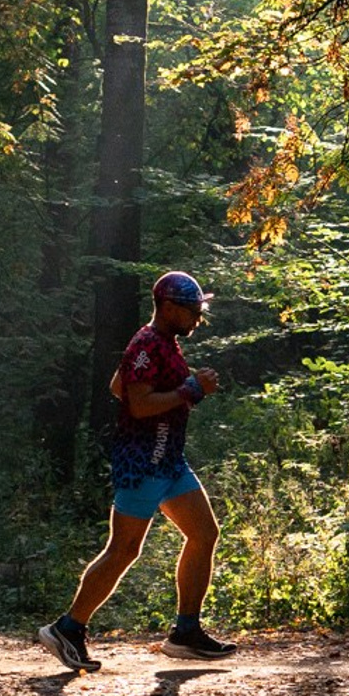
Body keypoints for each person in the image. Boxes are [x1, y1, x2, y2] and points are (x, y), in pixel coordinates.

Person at [39, 271, 235, 670]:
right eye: (192, 311)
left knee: (204, 533)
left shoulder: (165, 344)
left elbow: (118, 385)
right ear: (167, 307)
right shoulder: (147, 344)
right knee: (124, 550)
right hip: (141, 463)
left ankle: (185, 632)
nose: (198, 318)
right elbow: (138, 403)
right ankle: (67, 628)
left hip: (168, 461)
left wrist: (184, 387)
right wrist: (191, 390)